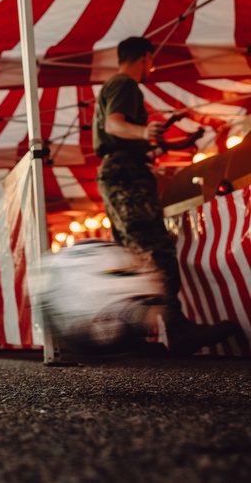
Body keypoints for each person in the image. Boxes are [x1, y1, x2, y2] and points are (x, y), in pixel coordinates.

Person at [94, 36, 238, 356]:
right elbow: (116, 126)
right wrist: (144, 132)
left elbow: (120, 132)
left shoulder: (112, 87)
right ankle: (176, 327)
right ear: (145, 58)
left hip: (117, 172)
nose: (152, 68)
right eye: (151, 61)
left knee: (131, 253)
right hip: (126, 173)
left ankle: (130, 336)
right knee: (154, 248)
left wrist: (168, 144)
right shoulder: (125, 85)